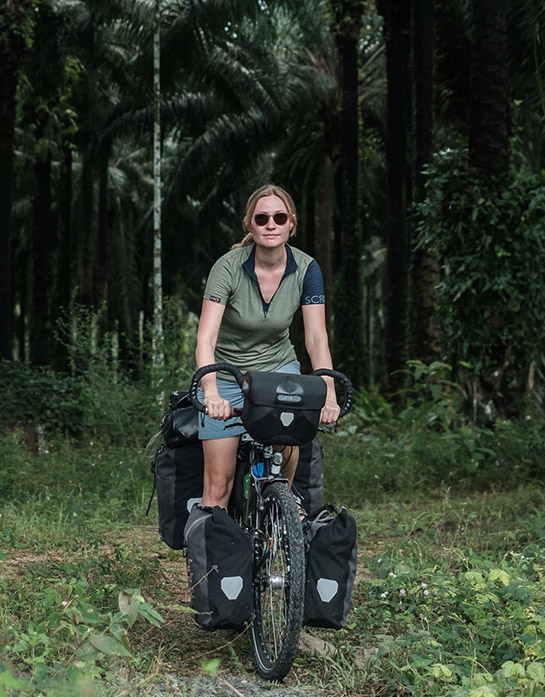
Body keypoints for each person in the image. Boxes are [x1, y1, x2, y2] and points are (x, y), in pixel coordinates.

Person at [195, 183, 340, 509]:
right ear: (249, 223)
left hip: (278, 370)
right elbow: (206, 338)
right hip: (228, 375)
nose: (270, 224)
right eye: (262, 218)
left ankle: (280, 515)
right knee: (218, 485)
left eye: (279, 217)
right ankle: (212, 553)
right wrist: (211, 391)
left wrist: (328, 390)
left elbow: (316, 338)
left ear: (291, 223)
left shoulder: (307, 269)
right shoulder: (228, 267)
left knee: (284, 457)